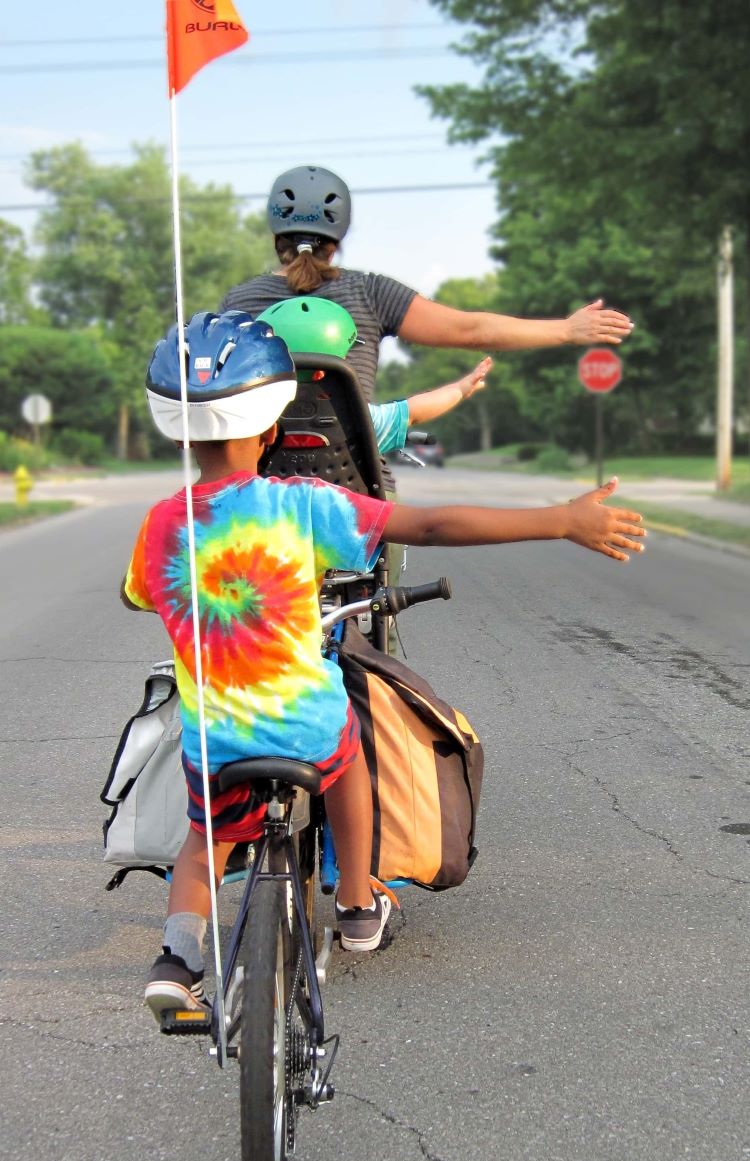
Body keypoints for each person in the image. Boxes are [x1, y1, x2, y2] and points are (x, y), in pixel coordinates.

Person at [123, 310, 645, 1018]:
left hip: (215, 739)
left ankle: (177, 962)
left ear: (181, 432)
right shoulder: (300, 505)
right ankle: (360, 902)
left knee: (204, 843)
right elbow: (429, 525)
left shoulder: (160, 524)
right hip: (304, 727)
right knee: (350, 765)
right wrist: (561, 519)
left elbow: (140, 595)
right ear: (273, 429)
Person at [219, 164, 634, 404]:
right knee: (384, 533)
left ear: (277, 236)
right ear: (337, 240)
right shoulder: (370, 292)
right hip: (352, 481)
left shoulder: (239, 303)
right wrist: (565, 329)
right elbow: (471, 331)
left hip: (260, 482)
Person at [255, 293, 493, 456]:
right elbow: (414, 412)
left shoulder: (250, 417)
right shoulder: (358, 417)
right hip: (349, 526)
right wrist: (460, 389)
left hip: (264, 527)